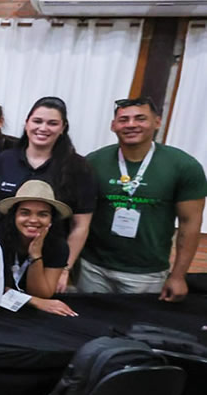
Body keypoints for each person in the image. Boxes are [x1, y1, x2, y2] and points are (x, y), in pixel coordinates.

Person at [80, 96, 206, 299]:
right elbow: (79, 214)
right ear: (113, 126)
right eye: (123, 120)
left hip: (146, 274)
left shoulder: (183, 166)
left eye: (140, 118)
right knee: (86, 318)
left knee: (137, 321)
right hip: (92, 268)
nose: (131, 125)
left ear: (157, 122)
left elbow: (190, 222)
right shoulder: (93, 162)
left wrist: (178, 276)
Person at [0, 97, 97, 291]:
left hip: (50, 261)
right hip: (3, 255)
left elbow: (80, 225)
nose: (43, 128)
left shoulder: (78, 167)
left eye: (52, 123)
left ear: (63, 128)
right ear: (27, 123)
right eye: (37, 121)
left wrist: (65, 268)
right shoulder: (5, 159)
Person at [0, 181, 77, 316]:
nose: (33, 220)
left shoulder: (59, 246)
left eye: (42, 214)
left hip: (30, 314)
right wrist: (34, 301)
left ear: (51, 219)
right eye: (25, 213)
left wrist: (35, 255)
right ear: (14, 215)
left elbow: (43, 294)